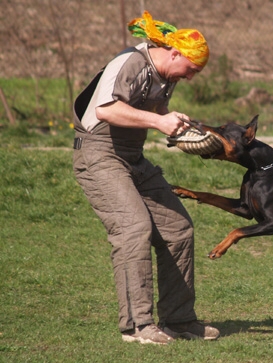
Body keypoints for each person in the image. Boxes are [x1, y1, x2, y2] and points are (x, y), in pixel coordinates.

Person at [72, 11, 219, 345]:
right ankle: (137, 327)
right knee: (133, 228)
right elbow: (106, 110)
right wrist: (158, 123)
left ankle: (179, 320)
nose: (192, 77)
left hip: (132, 158)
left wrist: (175, 123)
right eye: (192, 70)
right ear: (175, 54)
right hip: (99, 155)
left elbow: (148, 114)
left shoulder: (166, 77)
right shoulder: (130, 63)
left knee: (178, 229)